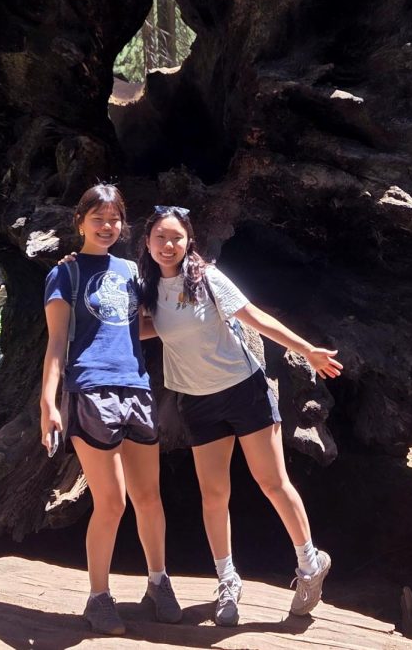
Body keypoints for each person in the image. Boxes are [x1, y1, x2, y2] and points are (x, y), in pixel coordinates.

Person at [137, 204, 344, 625]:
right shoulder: (146, 289)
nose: (168, 244)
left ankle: (310, 563)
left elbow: (255, 317)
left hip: (244, 390)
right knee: (214, 495)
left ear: (188, 240)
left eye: (176, 237)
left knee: (271, 481)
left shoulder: (207, 278)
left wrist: (307, 350)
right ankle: (227, 581)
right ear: (148, 242)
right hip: (197, 401)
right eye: (160, 237)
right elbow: (150, 327)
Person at [40, 185, 181, 635]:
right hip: (90, 390)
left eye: (115, 219)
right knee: (112, 501)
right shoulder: (65, 274)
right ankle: (98, 596)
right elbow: (58, 342)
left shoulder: (129, 271)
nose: (107, 226)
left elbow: (132, 328)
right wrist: (49, 402)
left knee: (149, 497)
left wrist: (190, 320)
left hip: (136, 388)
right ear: (79, 221)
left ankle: (158, 582)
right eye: (98, 218)